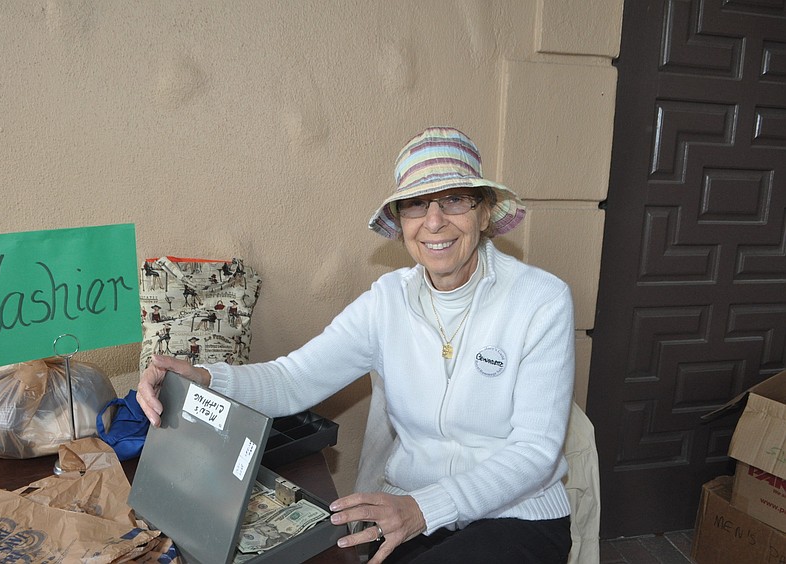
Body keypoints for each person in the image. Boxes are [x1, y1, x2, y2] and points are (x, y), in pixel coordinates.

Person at [137, 126, 574, 563]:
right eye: (416, 204)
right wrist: (205, 377)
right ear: (402, 221)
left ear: (485, 213)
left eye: (455, 199)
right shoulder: (386, 301)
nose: (434, 220)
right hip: (411, 510)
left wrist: (425, 509)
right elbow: (292, 380)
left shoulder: (540, 300)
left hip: (516, 516)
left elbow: (535, 450)